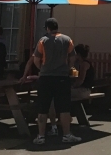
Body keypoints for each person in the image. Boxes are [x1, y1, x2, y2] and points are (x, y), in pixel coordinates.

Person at [21, 17, 80, 145]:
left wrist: (42, 68)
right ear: (57, 27)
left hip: (46, 77)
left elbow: (36, 59)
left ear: (47, 28)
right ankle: (66, 134)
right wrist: (68, 67)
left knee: (42, 108)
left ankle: (41, 136)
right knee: (64, 108)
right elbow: (73, 57)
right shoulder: (67, 40)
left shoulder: (43, 41)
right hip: (62, 77)